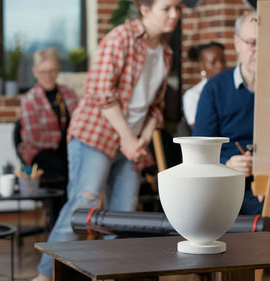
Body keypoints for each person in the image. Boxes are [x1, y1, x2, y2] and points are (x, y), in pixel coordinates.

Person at [33, 0, 181, 280]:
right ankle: (45, 275)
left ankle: (112, 275)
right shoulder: (121, 38)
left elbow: (156, 107)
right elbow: (101, 92)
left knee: (124, 217)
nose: (175, 14)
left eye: (178, 8)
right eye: (167, 8)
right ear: (145, 9)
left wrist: (140, 141)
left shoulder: (166, 51)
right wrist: (127, 138)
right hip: (96, 136)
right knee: (83, 206)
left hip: (131, 144)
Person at [192, 12, 270, 236]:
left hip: (268, 180)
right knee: (208, 214)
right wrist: (227, 164)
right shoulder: (215, 89)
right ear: (236, 43)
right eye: (252, 43)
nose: (258, 50)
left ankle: (258, 269)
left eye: (265, 42)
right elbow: (199, 151)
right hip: (223, 181)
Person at [18, 48, 78, 180]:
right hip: (41, 151)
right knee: (61, 169)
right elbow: (33, 137)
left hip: (70, 148)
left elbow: (81, 123)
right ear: (35, 72)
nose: (48, 76)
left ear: (58, 69)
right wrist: (62, 137)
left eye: (52, 71)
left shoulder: (69, 93)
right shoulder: (30, 99)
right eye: (43, 72)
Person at [183, 42, 226, 128]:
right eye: (213, 62)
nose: (220, 65)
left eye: (222, 60)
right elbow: (199, 130)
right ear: (201, 66)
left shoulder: (233, 89)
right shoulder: (193, 95)